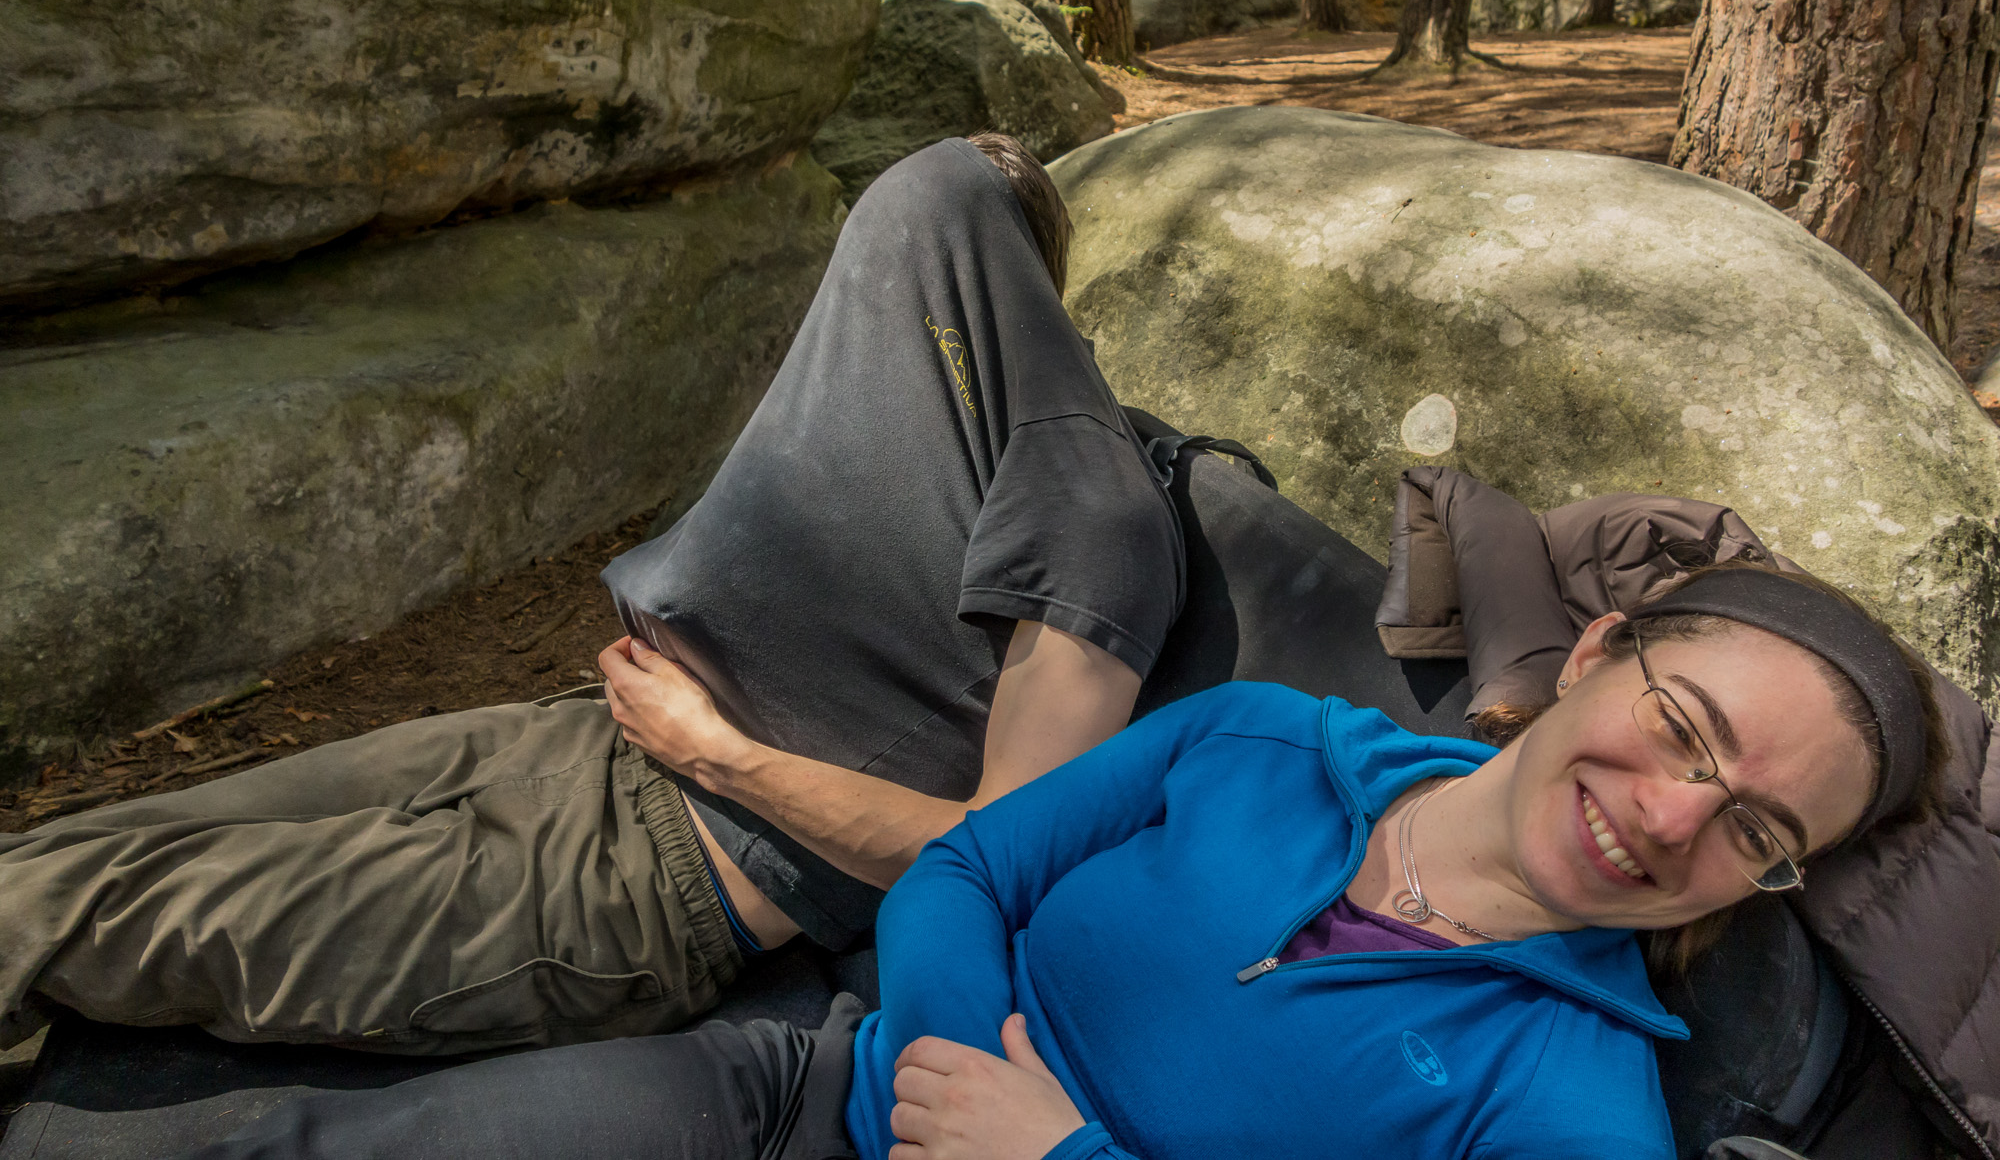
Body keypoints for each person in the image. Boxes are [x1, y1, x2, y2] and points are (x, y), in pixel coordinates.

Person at [0, 135, 1185, 1053]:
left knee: (88, 907)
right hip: (571, 748)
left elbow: (999, 856)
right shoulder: (949, 431)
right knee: (77, 849)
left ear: (982, 277)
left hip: (646, 880)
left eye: (897, 255)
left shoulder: (1096, 519)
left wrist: (718, 753)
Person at [171, 558, 1950, 1159]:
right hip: (810, 1103)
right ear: (1602, 647)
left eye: (1759, 833)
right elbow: (962, 878)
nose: (1673, 817)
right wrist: (955, 1091)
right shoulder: (1267, 734)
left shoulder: (1576, 1105)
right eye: (1691, 731)